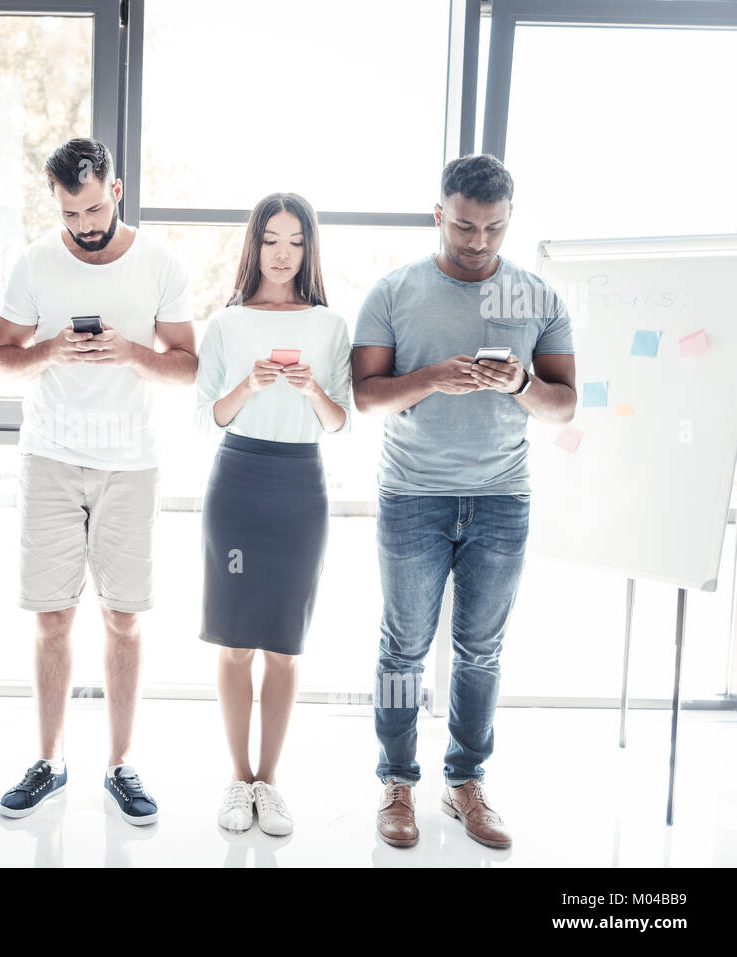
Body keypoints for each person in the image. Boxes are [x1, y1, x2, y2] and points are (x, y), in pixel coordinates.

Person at [351, 153, 576, 850]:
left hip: (501, 499)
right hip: (411, 496)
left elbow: (564, 406)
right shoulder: (393, 291)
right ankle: (396, 780)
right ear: (438, 214)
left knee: (481, 651)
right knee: (402, 652)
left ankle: (465, 781)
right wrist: (432, 378)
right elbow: (365, 396)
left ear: (510, 221)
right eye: (464, 226)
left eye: (494, 228)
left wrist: (519, 386)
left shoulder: (538, 298)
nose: (478, 242)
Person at [0, 137, 196, 825]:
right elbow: (2, 359)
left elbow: (187, 367)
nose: (84, 225)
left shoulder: (160, 262)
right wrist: (51, 350)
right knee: (52, 618)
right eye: (70, 213)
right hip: (49, 457)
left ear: (117, 190)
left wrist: (130, 353)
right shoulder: (34, 262)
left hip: (130, 462)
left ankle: (120, 764)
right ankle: (49, 763)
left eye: (95, 208)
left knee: (124, 618)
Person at [194, 193, 350, 836]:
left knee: (283, 648)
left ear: (309, 250)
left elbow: (339, 422)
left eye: (295, 242)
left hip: (300, 485)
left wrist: (313, 389)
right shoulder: (226, 323)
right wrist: (249, 385)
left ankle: (270, 781)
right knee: (235, 645)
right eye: (271, 240)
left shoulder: (330, 325)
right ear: (254, 245)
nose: (282, 254)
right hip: (237, 479)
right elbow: (207, 416)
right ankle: (238, 779)